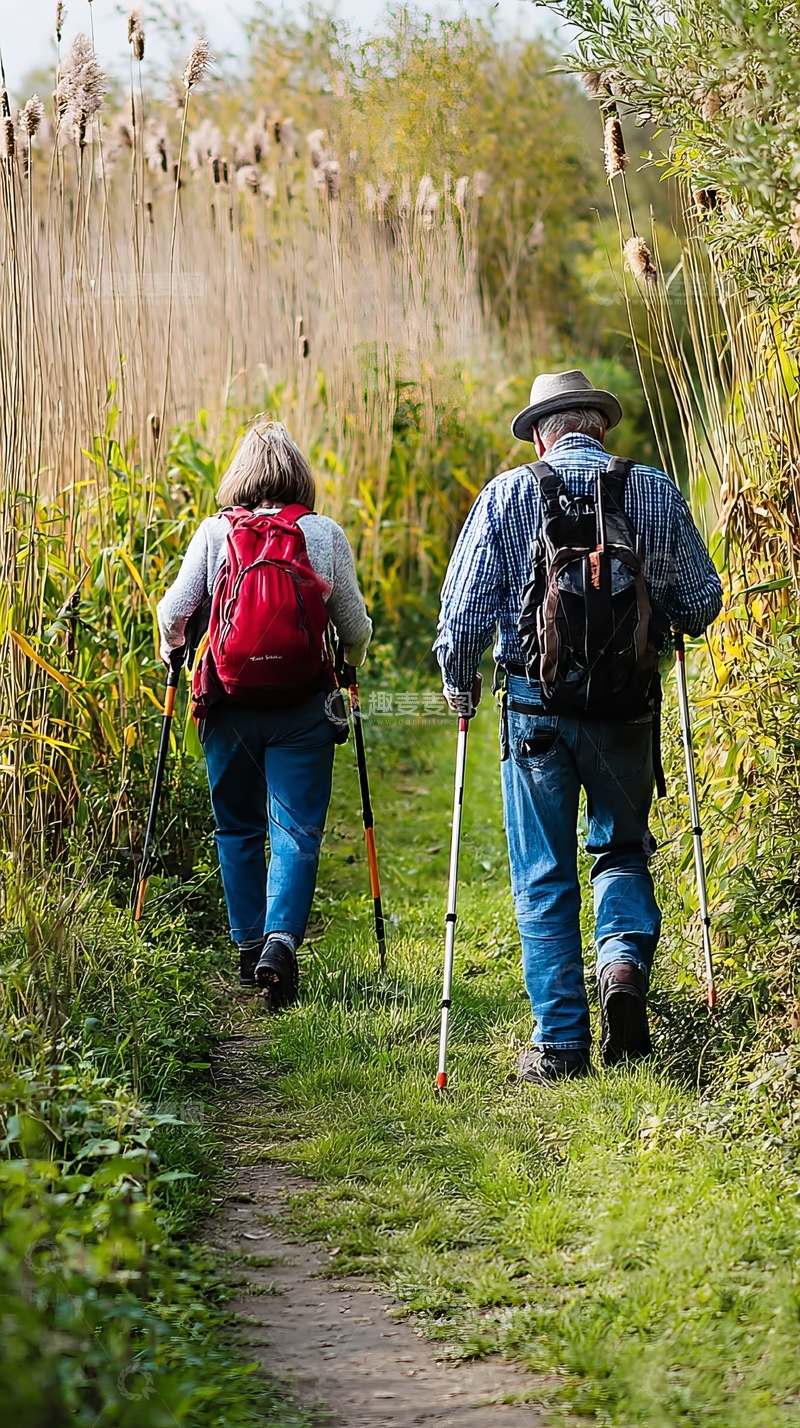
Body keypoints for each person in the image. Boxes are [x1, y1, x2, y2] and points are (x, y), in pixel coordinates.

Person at [434, 370, 722, 1084]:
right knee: (622, 848)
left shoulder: (508, 494)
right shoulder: (648, 488)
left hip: (534, 710)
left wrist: (459, 684)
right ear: (599, 426)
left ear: (540, 434)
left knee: (543, 872)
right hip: (626, 706)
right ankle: (622, 966)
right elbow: (702, 600)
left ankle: (561, 1046)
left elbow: (463, 616)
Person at [157, 417, 372, 1004]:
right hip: (303, 702)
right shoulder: (323, 533)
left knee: (238, 826)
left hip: (227, 704)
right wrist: (352, 656)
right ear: (297, 477)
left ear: (240, 477)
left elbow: (174, 611)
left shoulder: (214, 532)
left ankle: (249, 946)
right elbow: (353, 625)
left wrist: (173, 651)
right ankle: (281, 942)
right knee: (296, 827)